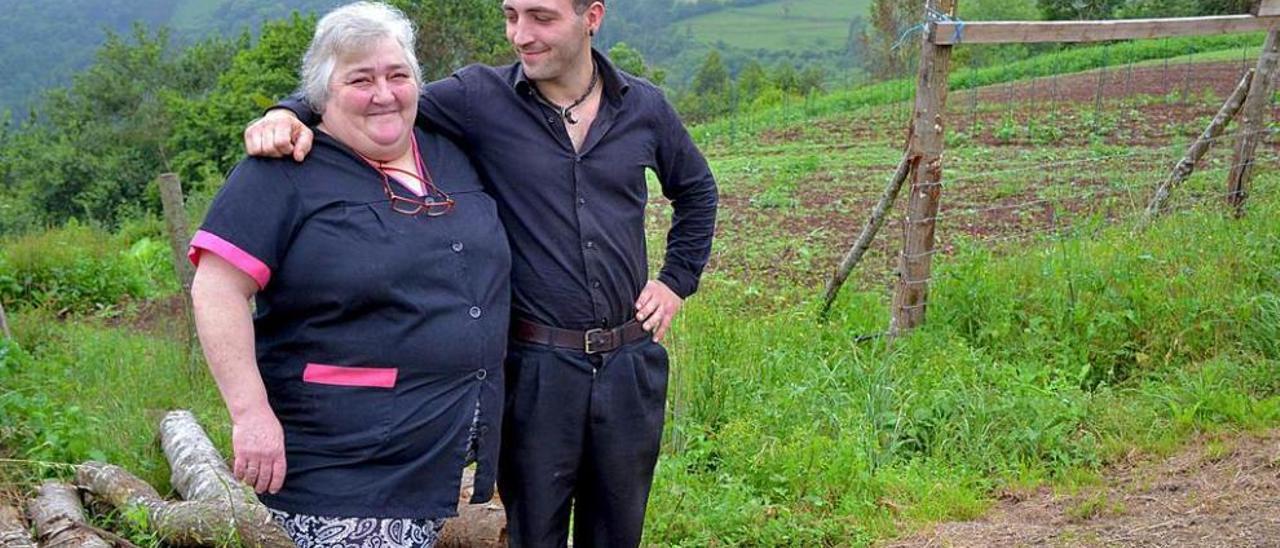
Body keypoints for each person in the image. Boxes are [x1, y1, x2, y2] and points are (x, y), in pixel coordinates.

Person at [244, 0, 718, 545]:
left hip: (630, 364)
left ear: (592, 16)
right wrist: (288, 112)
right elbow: (378, 93)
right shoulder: (477, 99)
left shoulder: (644, 108)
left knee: (617, 532)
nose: (521, 34)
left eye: (541, 17)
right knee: (532, 532)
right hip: (536, 369)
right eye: (511, 15)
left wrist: (676, 280)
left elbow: (697, 191)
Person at [190, 3, 511, 547]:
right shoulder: (280, 172)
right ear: (322, 94)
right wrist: (250, 414)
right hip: (344, 455)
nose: (384, 93)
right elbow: (217, 289)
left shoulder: (451, 152)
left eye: (397, 75)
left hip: (438, 447)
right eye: (360, 79)